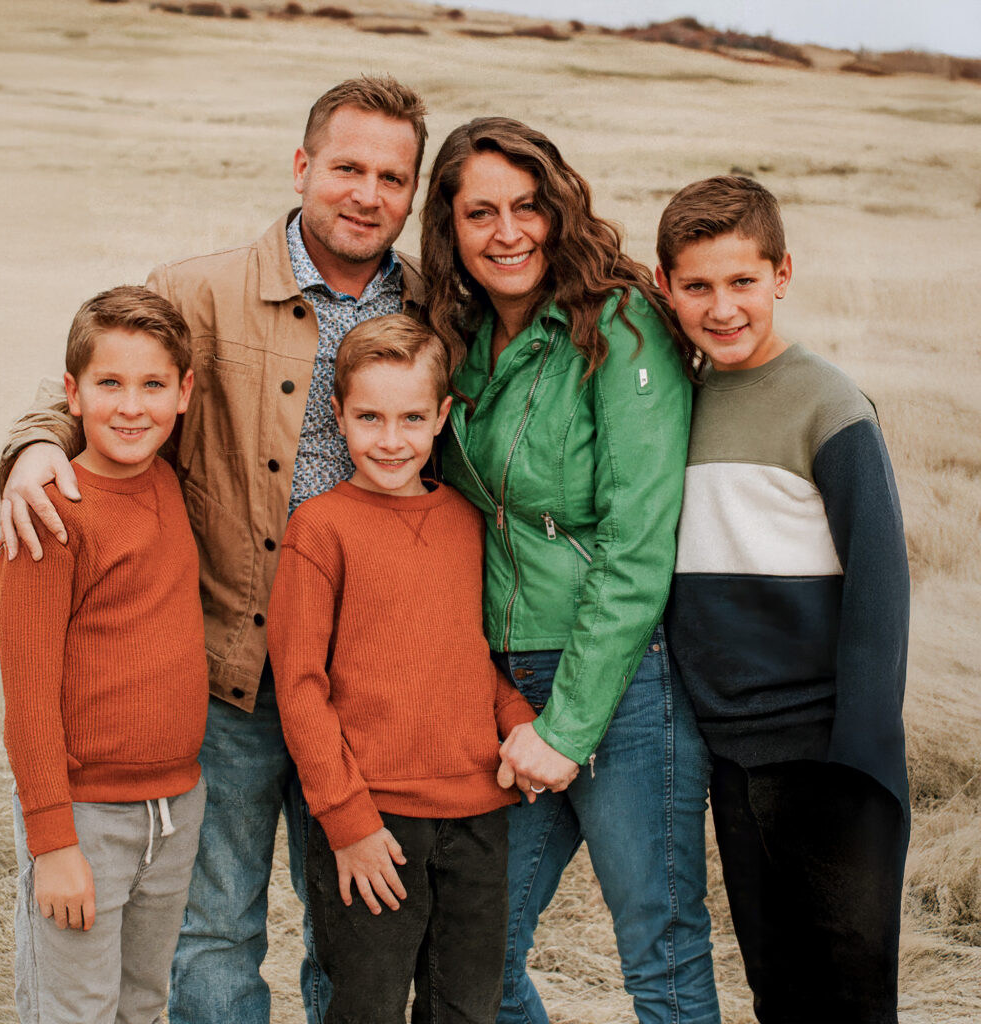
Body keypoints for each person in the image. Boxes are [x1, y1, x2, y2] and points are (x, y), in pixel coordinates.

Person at [0, 75, 429, 1024]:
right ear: (303, 165)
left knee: (349, 933)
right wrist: (32, 443)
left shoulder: (438, 311)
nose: (366, 193)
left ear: (412, 193)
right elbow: (105, 373)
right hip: (227, 674)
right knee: (213, 934)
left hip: (360, 686)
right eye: (347, 167)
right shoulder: (198, 289)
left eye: (392, 177)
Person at [421, 117, 720, 1024]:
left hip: (622, 682)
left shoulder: (622, 325)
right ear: (451, 229)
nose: (507, 233)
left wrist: (570, 723)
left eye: (526, 207)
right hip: (504, 684)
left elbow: (637, 545)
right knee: (472, 950)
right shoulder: (456, 332)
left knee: (660, 955)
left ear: (557, 211)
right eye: (480, 213)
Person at [654, 175, 910, 1024]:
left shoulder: (828, 407)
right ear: (667, 289)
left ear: (782, 276)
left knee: (849, 996)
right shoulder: (674, 403)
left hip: (826, 754)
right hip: (731, 753)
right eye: (697, 286)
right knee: (778, 987)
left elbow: (881, 591)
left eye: (742, 282)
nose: (721, 307)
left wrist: (860, 762)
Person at [267, 313, 537, 1022]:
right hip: (374, 821)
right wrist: (346, 819)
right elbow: (299, 686)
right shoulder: (320, 528)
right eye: (370, 418)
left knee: (467, 1007)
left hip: (478, 817)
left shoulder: (465, 519)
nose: (391, 440)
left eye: (413, 417)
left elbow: (466, 653)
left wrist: (517, 723)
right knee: (368, 1005)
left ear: (443, 415)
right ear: (339, 415)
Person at [0, 286, 208, 1024]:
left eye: (152, 385)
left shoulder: (172, 481)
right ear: (71, 393)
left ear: (183, 394)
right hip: (83, 815)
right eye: (108, 384)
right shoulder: (48, 513)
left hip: (174, 810)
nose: (130, 407)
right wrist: (53, 842)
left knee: (142, 1005)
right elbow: (26, 699)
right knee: (75, 1009)